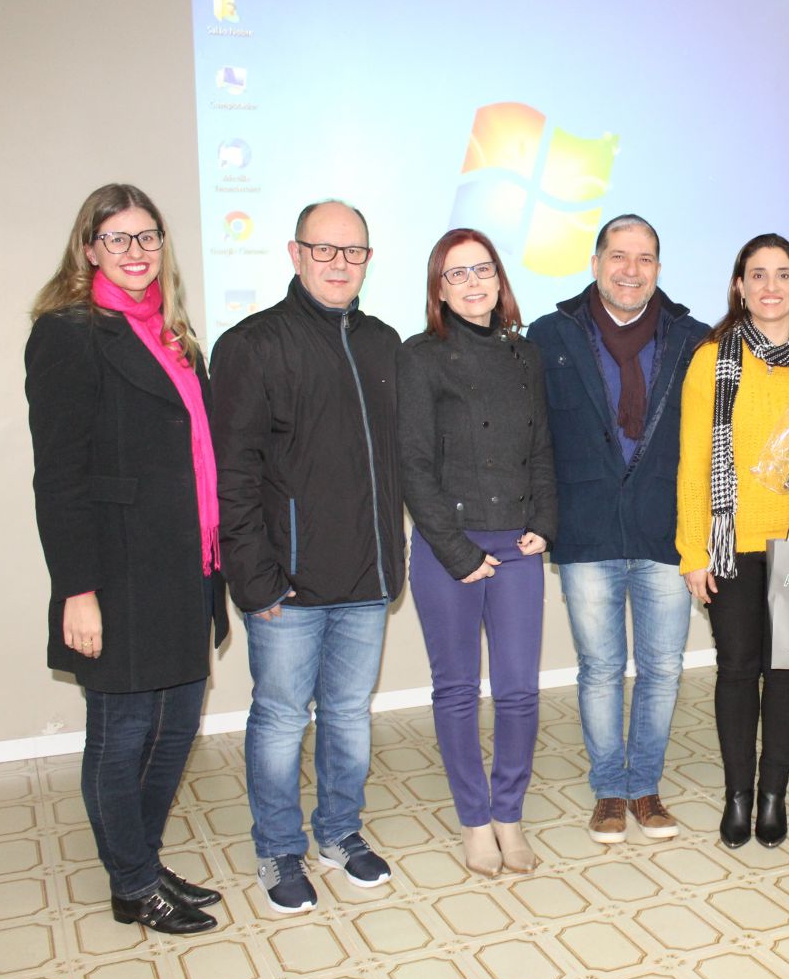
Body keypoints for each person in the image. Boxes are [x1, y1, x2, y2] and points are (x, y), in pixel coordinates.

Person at [25, 183, 228, 935]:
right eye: (118, 238)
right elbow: (59, 477)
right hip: (117, 572)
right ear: (89, 249)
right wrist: (77, 589)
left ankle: (138, 860)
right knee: (121, 736)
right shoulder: (68, 334)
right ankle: (134, 884)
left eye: (148, 237)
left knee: (176, 728)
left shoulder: (175, 335)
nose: (136, 251)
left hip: (186, 564)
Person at [212, 200, 403, 913]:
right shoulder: (252, 344)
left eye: (353, 252)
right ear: (295, 254)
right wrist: (254, 580)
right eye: (324, 250)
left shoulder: (384, 343)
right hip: (285, 586)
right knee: (281, 719)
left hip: (366, 579)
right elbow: (232, 475)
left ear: (367, 261)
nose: (338, 264)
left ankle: (339, 833)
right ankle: (278, 849)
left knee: (349, 715)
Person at [530, 215, 706, 845]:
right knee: (600, 669)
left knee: (662, 669)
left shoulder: (694, 339)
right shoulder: (550, 335)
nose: (631, 270)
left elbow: (712, 441)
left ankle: (645, 787)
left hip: (666, 531)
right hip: (587, 532)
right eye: (619, 257)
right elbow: (534, 437)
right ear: (596, 263)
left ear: (658, 268)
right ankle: (609, 789)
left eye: (645, 259)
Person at [399, 229, 557, 878]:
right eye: (456, 273)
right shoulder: (420, 357)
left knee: (519, 691)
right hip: (448, 548)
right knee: (458, 690)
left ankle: (508, 815)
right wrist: (458, 551)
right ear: (439, 288)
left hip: (518, 545)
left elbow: (542, 447)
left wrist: (544, 521)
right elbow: (412, 465)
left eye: (482, 270)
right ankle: (473, 820)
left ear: (499, 279)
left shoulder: (526, 354)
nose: (472, 283)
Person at [677, 233, 789, 849]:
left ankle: (774, 796)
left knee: (788, 671)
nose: (771, 286)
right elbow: (693, 464)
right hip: (730, 544)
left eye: (784, 274)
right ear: (739, 286)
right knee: (738, 670)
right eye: (758, 274)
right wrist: (694, 552)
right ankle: (738, 795)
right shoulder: (709, 359)